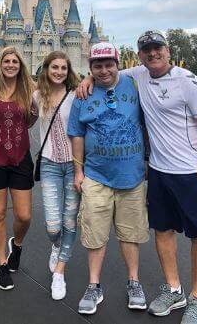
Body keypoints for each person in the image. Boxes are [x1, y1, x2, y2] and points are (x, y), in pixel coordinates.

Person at [78, 30, 197, 324]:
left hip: (188, 171)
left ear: (167, 51)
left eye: (158, 48)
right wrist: (88, 78)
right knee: (163, 231)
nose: (153, 54)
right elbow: (108, 72)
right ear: (140, 55)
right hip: (156, 170)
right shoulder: (138, 74)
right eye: (147, 50)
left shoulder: (188, 80)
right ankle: (173, 289)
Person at [68, 42, 149, 315]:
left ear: (118, 64)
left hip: (132, 176)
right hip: (96, 175)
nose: (103, 70)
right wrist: (78, 171)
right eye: (97, 66)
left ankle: (134, 282)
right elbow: (76, 134)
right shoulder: (82, 95)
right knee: (95, 233)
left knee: (130, 233)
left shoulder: (135, 84)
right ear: (90, 67)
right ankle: (94, 285)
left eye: (108, 65)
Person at [0, 46, 36, 291]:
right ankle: (1, 264)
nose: (11, 64)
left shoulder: (29, 89)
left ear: (20, 65)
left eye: (15, 61)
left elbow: (31, 119)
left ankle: (18, 243)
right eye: (6, 61)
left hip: (20, 156)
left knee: (24, 216)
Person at [33, 51, 80, 301]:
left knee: (70, 220)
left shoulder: (77, 95)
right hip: (50, 165)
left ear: (69, 70)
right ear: (47, 69)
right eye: (55, 67)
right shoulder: (37, 95)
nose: (59, 72)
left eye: (63, 68)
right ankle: (56, 244)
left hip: (73, 165)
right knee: (53, 225)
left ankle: (59, 272)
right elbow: (20, 112)